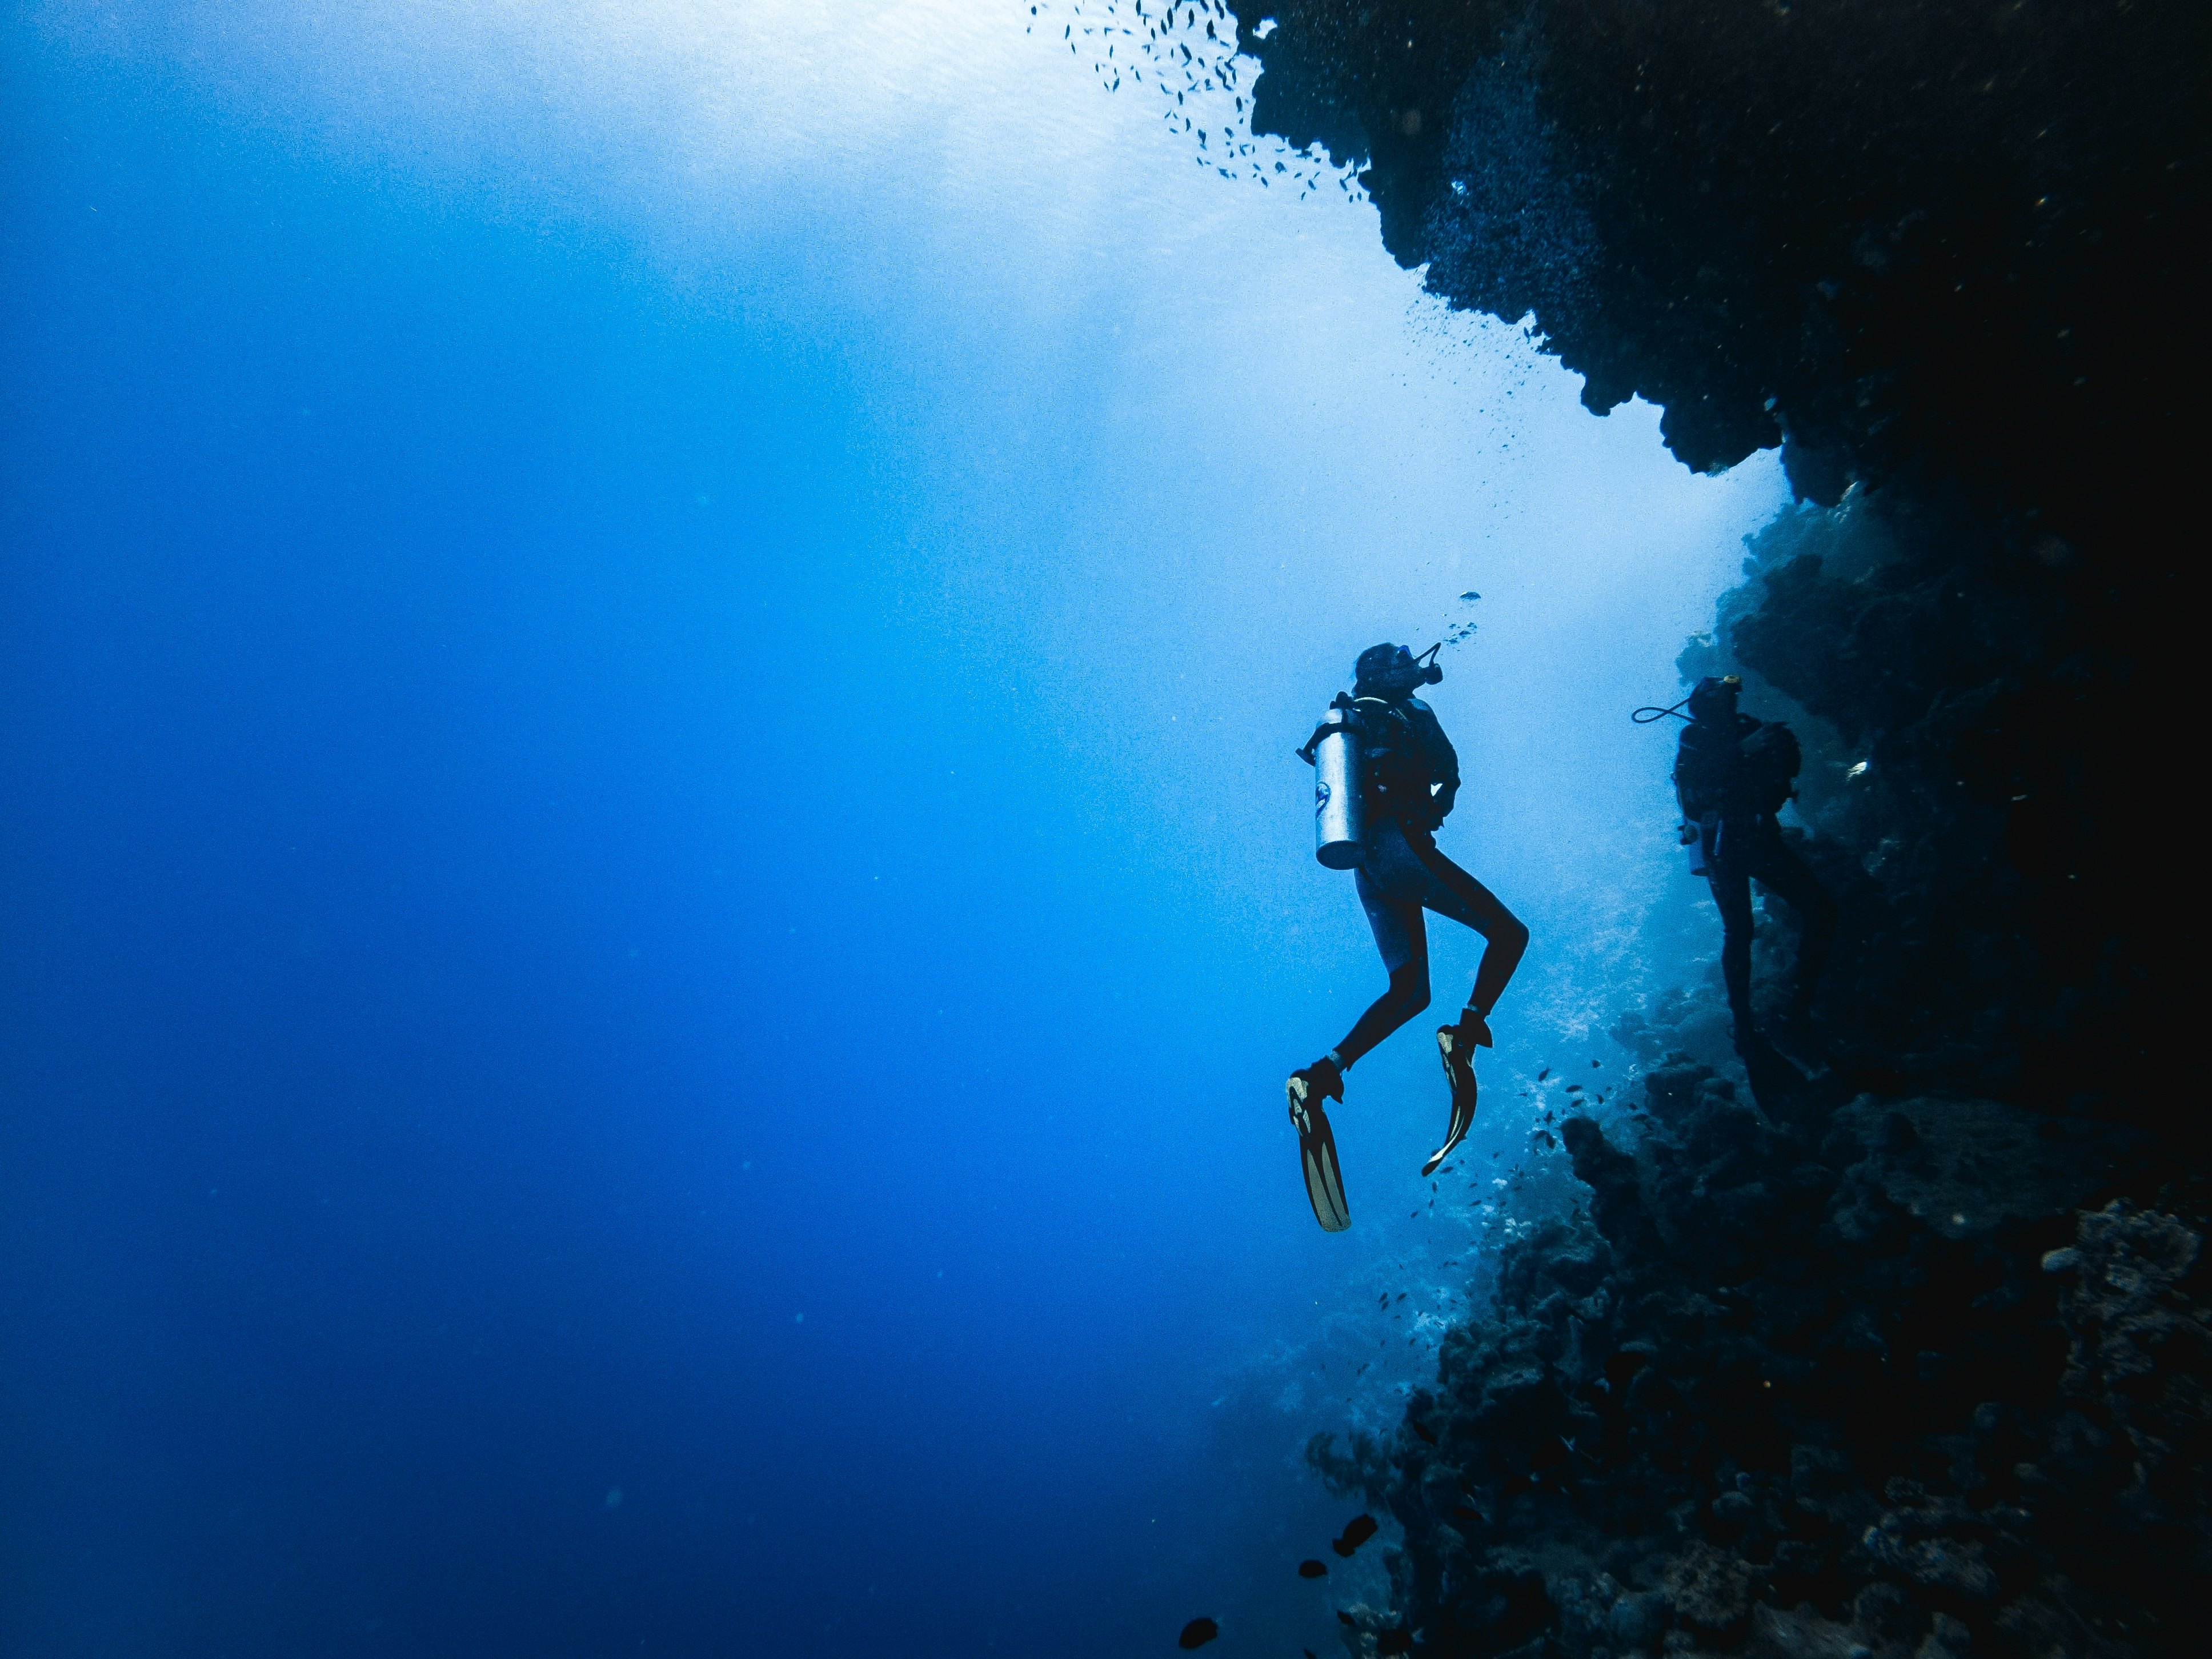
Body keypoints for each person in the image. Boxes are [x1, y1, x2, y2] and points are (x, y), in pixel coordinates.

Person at [1287, 643, 1530, 1231]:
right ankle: (1464, 1035)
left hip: (1366, 867)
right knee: (1508, 934)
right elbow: (1447, 773)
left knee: (1409, 990)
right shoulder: (1406, 713)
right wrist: (1436, 799)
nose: (1412, 665)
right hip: (1400, 850)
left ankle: (1319, 1076)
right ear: (1384, 673)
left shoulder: (1351, 720)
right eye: (1401, 660)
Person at [1672, 675, 1837, 1052]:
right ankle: (1745, 1026)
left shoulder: (1750, 728)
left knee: (1822, 911)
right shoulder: (1694, 738)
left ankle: (1798, 1002)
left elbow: (1780, 779)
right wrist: (1741, 751)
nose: (1731, 701)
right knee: (1741, 931)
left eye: (1732, 694)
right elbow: (1694, 788)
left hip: (1760, 837)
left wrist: (1782, 749)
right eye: (1724, 695)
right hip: (1722, 846)